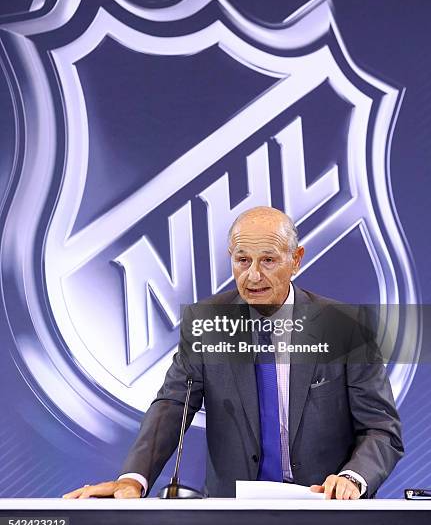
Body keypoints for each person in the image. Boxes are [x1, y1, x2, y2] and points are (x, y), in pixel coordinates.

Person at [64, 206, 403, 500]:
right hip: (232, 514)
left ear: (296, 259)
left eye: (268, 260)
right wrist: (133, 479)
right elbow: (172, 405)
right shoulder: (207, 322)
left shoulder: (345, 326)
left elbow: (380, 428)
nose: (253, 275)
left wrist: (352, 478)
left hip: (323, 510)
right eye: (242, 260)